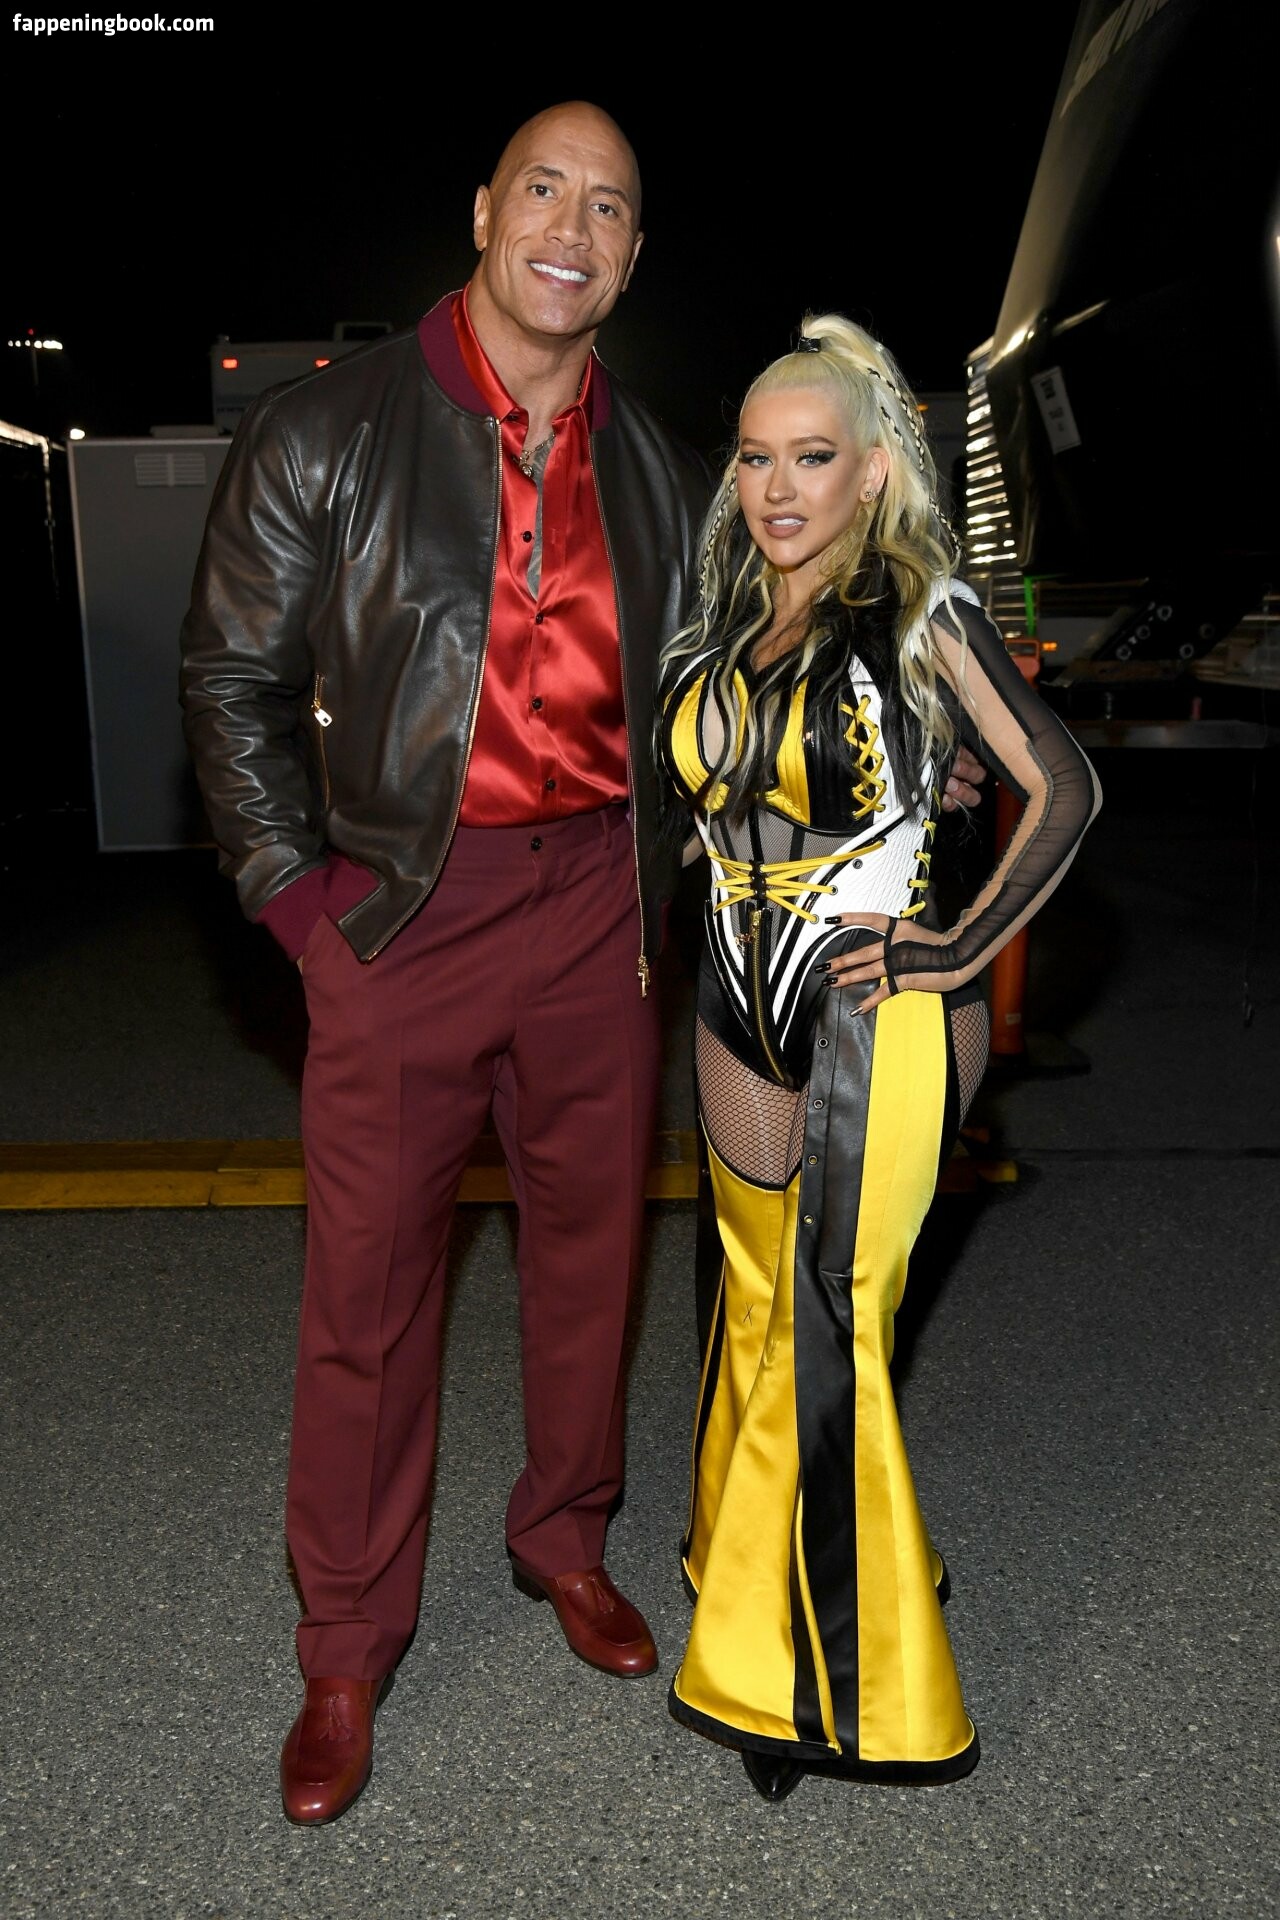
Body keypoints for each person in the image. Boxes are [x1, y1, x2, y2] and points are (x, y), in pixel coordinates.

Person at [179, 101, 987, 1828]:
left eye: (609, 207)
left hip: (603, 911)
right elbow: (230, 681)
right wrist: (300, 910)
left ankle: (565, 1536)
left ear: (631, 258)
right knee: (366, 1296)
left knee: (588, 1258)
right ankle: (347, 1638)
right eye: (545, 190)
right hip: (401, 903)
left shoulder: (669, 468)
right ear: (485, 210)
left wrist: (935, 736)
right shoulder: (328, 428)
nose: (572, 227)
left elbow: (796, 622)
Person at [656, 313, 1101, 1803]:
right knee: (754, 1299)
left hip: (873, 1004)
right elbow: (712, 806)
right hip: (733, 990)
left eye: (812, 458)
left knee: (831, 1321)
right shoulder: (729, 612)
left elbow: (1062, 786)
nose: (778, 488)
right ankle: (758, 1575)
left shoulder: (921, 605)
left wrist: (958, 948)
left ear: (871, 473)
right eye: (755, 458)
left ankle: (828, 1685)